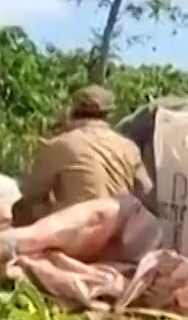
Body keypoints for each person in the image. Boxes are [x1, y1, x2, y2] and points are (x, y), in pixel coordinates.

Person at [10, 85, 152, 227]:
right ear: (110, 114)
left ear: (73, 111)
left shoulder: (60, 145)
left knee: (22, 208)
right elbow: (145, 189)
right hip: (118, 228)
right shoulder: (128, 147)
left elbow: (31, 191)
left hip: (78, 229)